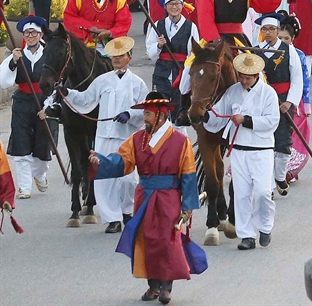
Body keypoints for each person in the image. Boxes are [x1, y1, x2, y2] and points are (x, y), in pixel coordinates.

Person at [89, 92, 200, 304]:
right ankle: (153, 286)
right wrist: (100, 162)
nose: (145, 118)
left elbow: (188, 174)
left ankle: (167, 286)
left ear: (160, 115)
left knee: (168, 240)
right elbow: (122, 161)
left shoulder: (180, 141)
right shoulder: (137, 139)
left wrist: (187, 206)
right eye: (145, 114)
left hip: (169, 196)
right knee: (147, 239)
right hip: (144, 195)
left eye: (148, 114)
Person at [60, 36, 148, 233]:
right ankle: (113, 218)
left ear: (129, 57)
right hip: (104, 137)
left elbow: (145, 109)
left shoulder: (138, 83)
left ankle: (127, 211)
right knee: (105, 180)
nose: (117, 59)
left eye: (121, 55)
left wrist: (131, 114)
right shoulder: (102, 80)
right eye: (114, 56)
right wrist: (68, 93)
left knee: (128, 179)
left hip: (127, 137)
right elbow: (86, 99)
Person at [202, 53, 280, 250]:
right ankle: (246, 235)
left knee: (263, 192)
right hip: (238, 149)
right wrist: (205, 116)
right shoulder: (233, 92)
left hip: (261, 149)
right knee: (242, 193)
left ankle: (265, 226)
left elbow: (272, 121)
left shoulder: (268, 93)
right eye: (241, 77)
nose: (244, 81)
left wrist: (246, 120)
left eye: (248, 77)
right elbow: (218, 113)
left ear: (256, 75)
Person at [0, 16, 51, 199]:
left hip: (44, 101)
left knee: (43, 147)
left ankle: (39, 174)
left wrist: (51, 105)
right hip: (22, 102)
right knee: (21, 143)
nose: (30, 36)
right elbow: (4, 81)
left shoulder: (48, 54)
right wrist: (13, 62)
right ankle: (24, 187)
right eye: (27, 33)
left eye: (34, 33)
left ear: (40, 34)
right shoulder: (18, 54)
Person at [255, 13, 303, 195]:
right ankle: (268, 183)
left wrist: (290, 102)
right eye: (264, 29)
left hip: (283, 99)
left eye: (271, 29)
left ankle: (280, 176)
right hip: (263, 101)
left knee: (283, 140)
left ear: (278, 30)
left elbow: (297, 77)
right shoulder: (256, 50)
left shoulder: (288, 50)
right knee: (264, 143)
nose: (268, 33)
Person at [146, 0, 199, 126]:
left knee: (178, 109)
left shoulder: (190, 27)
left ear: (182, 5)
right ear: (165, 7)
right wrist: (158, 46)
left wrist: (188, 72)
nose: (174, 7)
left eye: (177, 4)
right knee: (161, 107)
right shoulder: (158, 25)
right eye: (170, 4)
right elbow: (150, 50)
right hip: (162, 71)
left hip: (180, 72)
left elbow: (193, 53)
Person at [278, 15, 311, 182]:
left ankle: (291, 170)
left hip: (295, 100)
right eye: (280, 38)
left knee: (294, 134)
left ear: (293, 38)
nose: (283, 41)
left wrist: (306, 103)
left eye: (286, 38)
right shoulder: (270, 51)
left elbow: (304, 80)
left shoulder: (298, 55)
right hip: (276, 98)